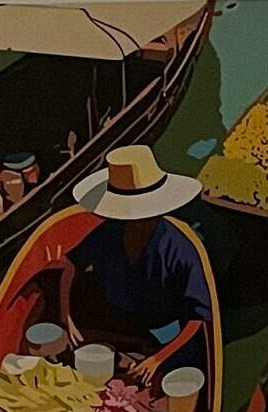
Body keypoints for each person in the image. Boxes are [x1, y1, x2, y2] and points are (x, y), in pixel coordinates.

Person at [57, 143, 212, 383]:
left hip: (164, 334)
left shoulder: (179, 248)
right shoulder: (110, 231)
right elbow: (70, 264)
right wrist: (66, 316)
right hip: (115, 323)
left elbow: (199, 316)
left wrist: (158, 359)